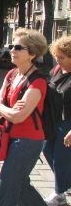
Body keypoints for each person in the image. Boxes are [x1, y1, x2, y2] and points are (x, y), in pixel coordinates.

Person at [0, 28, 48, 206]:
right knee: (20, 186)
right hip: (10, 136)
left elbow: (18, 116)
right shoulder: (12, 74)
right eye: (11, 46)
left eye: (18, 47)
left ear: (32, 54)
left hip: (27, 142)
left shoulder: (37, 81)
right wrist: (4, 108)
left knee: (6, 185)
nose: (12, 50)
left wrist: (2, 108)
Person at [42, 35, 71, 206]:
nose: (58, 60)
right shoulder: (57, 70)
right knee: (47, 150)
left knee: (61, 158)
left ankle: (60, 194)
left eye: (62, 57)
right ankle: (65, 183)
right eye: (56, 56)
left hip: (68, 123)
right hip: (55, 120)